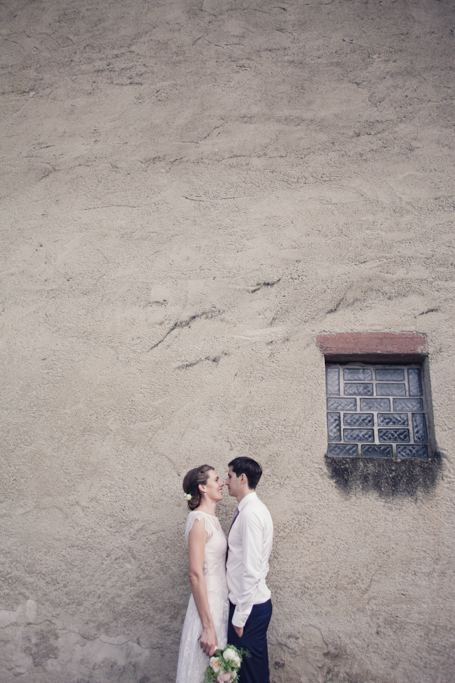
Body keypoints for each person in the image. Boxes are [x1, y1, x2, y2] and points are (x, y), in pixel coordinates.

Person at [176, 465, 229, 683]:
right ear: (203, 487)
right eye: (216, 480)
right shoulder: (199, 521)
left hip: (219, 603)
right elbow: (195, 574)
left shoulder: (212, 520)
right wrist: (207, 626)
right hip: (207, 608)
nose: (222, 483)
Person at [225, 457, 273, 683]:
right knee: (249, 673)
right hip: (249, 606)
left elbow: (253, 570)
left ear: (242, 478)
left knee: (251, 676)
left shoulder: (251, 514)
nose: (226, 482)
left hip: (250, 609)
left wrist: (240, 617)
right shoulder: (250, 510)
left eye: (229, 476)